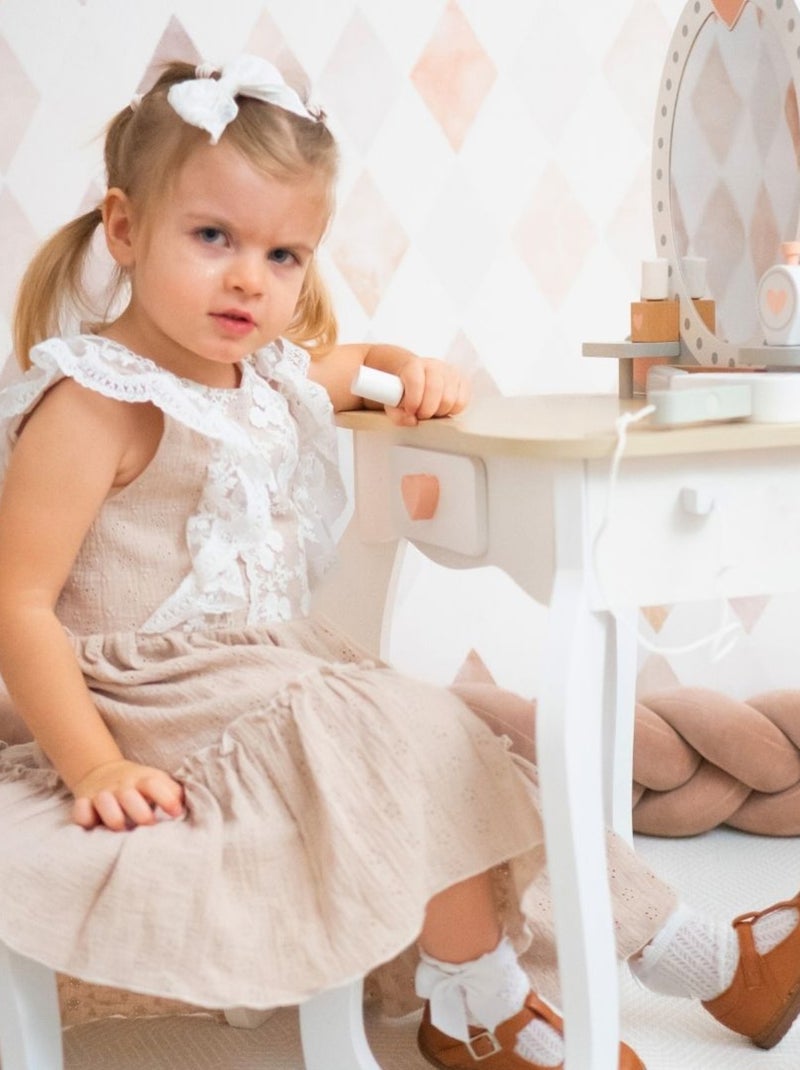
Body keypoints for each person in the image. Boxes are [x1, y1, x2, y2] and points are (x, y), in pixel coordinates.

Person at [0, 54, 796, 1070]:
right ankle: (499, 996)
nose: (252, 277)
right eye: (213, 237)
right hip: (149, 698)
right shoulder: (93, 401)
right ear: (123, 227)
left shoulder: (256, 373)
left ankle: (665, 966)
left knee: (469, 731)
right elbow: (19, 602)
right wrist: (94, 762)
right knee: (397, 728)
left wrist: (403, 368)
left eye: (286, 254)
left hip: (260, 679)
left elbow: (335, 369)